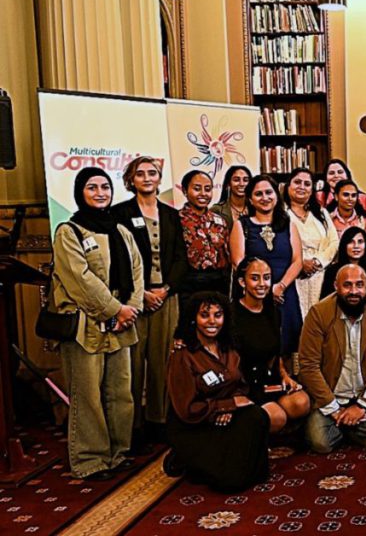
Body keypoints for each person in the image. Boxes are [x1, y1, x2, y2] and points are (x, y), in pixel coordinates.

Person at [51, 168, 143, 480]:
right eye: (93, 187)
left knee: (120, 392)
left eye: (105, 187)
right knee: (88, 394)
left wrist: (130, 309)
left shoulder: (121, 230)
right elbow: (79, 279)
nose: (101, 192)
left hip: (122, 323)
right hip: (86, 324)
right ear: (80, 192)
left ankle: (118, 453)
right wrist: (114, 309)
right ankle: (90, 460)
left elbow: (137, 271)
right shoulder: (69, 232)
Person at [111, 157, 186, 449]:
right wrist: (142, 294)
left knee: (162, 362)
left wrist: (165, 290)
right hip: (133, 299)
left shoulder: (171, 215)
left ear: (159, 178)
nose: (146, 177)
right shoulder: (119, 214)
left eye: (152, 173)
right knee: (133, 364)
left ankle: (159, 421)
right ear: (131, 180)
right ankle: (134, 426)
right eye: (139, 174)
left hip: (167, 298)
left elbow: (181, 257)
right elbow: (118, 259)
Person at [164, 292, 270, 492]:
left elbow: (240, 384)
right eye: (205, 315)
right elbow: (186, 409)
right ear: (194, 319)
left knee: (257, 417)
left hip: (225, 416)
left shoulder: (228, 347)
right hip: (195, 425)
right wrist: (223, 407)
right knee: (231, 484)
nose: (212, 321)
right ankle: (184, 458)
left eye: (218, 315)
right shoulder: (183, 355)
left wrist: (230, 406)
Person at [299, 265, 366, 452]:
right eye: (347, 285)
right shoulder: (318, 313)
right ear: (336, 286)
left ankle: (346, 424)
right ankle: (346, 423)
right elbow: (308, 365)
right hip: (331, 395)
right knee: (321, 443)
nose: (354, 291)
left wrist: (362, 406)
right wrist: (334, 409)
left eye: (359, 285)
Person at [231, 257, 310, 433]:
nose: (262, 284)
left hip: (269, 380)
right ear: (242, 282)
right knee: (276, 417)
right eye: (255, 278)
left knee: (301, 403)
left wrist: (284, 376)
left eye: (266, 277)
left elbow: (275, 353)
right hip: (245, 385)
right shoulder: (231, 315)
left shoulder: (273, 312)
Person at [229, 175, 303, 359]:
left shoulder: (288, 225)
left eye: (269, 192)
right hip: (254, 296)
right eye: (258, 194)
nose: (265, 197)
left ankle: (286, 383)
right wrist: (267, 289)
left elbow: (297, 261)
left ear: (276, 196)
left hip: (285, 294)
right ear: (250, 199)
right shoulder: (241, 225)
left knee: (287, 346)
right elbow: (238, 262)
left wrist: (281, 287)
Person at [283, 168, 339, 317]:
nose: (302, 187)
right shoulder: (281, 214)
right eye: (297, 182)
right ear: (288, 186)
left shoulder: (321, 213)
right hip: (292, 277)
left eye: (307, 184)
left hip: (320, 275)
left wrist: (317, 261)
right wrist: (301, 263)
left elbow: (334, 242)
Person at [179, 170, 232, 302]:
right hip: (190, 282)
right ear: (185, 191)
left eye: (207, 189)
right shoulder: (176, 219)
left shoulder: (220, 220)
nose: (203, 194)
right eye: (197, 189)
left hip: (219, 282)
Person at [321, 226, 366, 301]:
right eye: (351, 242)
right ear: (344, 245)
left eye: (360, 242)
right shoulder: (332, 271)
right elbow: (325, 301)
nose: (356, 246)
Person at [331, 179, 366, 258]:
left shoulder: (364, 221)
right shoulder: (328, 220)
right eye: (346, 195)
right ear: (336, 196)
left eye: (353, 195)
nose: (350, 198)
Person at [212, 165, 251, 234]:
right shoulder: (217, 210)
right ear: (228, 184)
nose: (241, 184)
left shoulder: (257, 209)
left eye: (245, 180)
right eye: (236, 180)